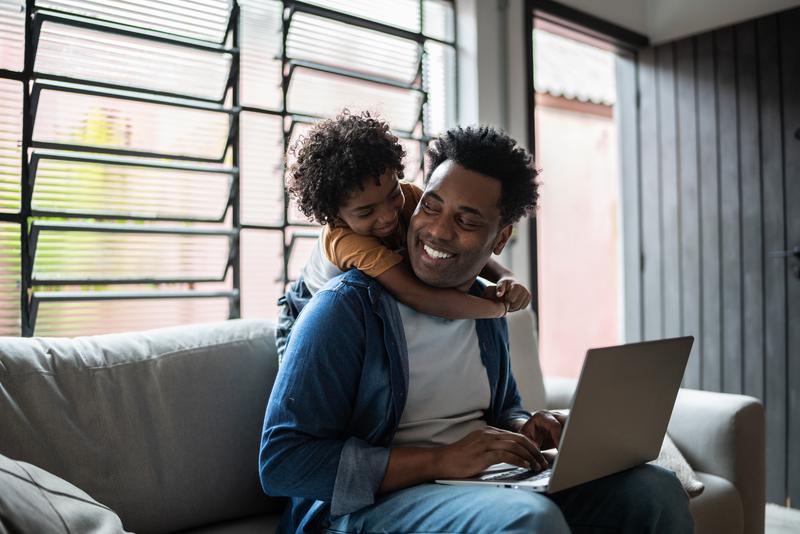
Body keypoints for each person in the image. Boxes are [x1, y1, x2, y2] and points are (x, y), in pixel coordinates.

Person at [260, 126, 694, 534]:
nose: (436, 230)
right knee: (529, 520)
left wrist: (526, 427)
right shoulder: (346, 309)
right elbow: (284, 462)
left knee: (654, 491)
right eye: (430, 206)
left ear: (499, 240)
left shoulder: (484, 306)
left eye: (466, 222)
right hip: (368, 506)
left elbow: (504, 407)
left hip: (482, 488)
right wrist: (442, 460)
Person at [275, 110, 530, 363]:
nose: (387, 216)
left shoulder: (413, 198)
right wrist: (496, 309)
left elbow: (448, 244)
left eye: (392, 194)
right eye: (366, 212)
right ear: (335, 215)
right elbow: (416, 295)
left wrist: (505, 276)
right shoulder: (345, 240)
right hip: (302, 311)